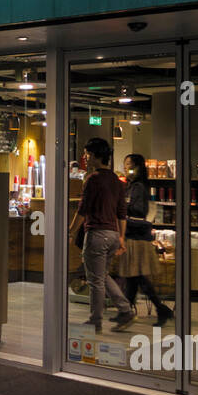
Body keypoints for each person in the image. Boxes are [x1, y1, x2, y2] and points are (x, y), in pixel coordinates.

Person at [67, 138, 132, 333]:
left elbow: (83, 209)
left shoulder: (93, 179)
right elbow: (122, 212)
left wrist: (70, 231)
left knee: (95, 280)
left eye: (87, 154)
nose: (85, 158)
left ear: (95, 156)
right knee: (101, 276)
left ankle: (95, 320)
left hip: (97, 234)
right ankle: (125, 309)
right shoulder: (115, 180)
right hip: (112, 234)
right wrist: (121, 237)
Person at [120, 154, 173, 326]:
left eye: (129, 165)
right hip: (133, 235)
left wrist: (123, 206)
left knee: (137, 277)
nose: (126, 168)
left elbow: (139, 210)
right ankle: (127, 311)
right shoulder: (131, 186)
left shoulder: (139, 187)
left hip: (137, 237)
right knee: (134, 277)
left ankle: (156, 309)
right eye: (125, 164)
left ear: (137, 168)